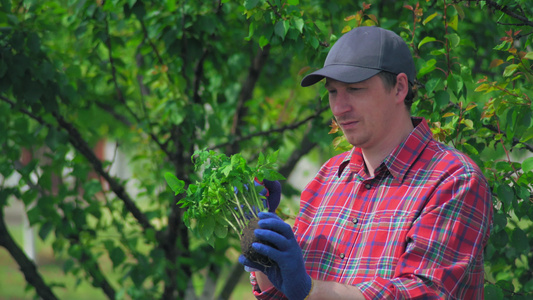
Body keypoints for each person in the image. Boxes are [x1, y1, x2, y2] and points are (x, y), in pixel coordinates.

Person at [239, 26, 493, 299]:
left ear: (399, 88)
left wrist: (309, 289)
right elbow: (289, 293)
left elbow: (421, 292)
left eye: (355, 89)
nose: (339, 107)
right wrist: (264, 250)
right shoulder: (327, 179)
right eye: (333, 92)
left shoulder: (453, 179)